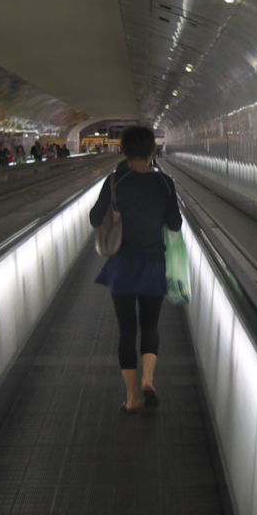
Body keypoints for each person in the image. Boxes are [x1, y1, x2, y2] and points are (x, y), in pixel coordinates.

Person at [89, 126, 182, 414]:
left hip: (123, 265)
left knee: (127, 330)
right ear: (152, 150)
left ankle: (132, 398)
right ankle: (149, 379)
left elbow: (94, 218)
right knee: (150, 325)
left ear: (124, 150)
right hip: (154, 262)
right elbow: (176, 224)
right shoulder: (165, 183)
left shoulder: (116, 181)